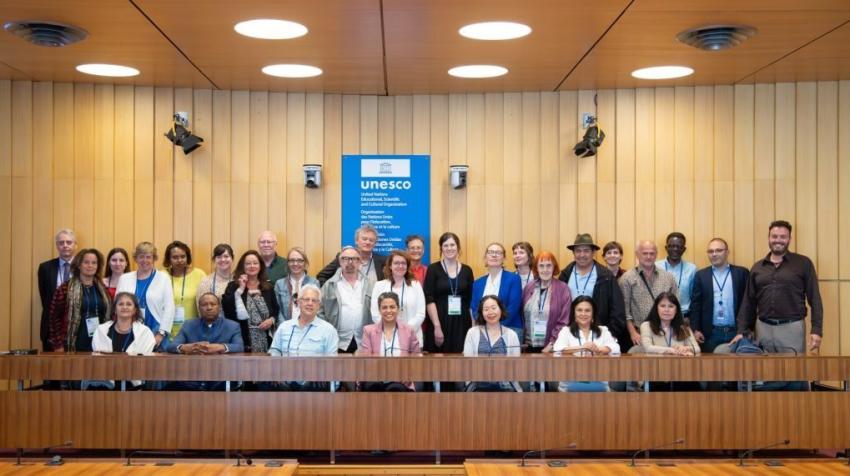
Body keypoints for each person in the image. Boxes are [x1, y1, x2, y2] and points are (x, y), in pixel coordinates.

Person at [731, 220, 823, 354]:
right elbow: (748, 303)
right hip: (763, 329)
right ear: (769, 238)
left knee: (793, 372)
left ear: (789, 239)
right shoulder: (757, 267)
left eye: (783, 237)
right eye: (774, 236)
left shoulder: (803, 263)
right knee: (764, 372)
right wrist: (741, 331)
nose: (778, 240)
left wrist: (817, 330)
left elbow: (815, 299)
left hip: (792, 328)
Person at [558, 234, 626, 347]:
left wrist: (610, 335)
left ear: (593, 252)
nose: (582, 255)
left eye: (586, 251)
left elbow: (617, 309)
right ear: (573, 253)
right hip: (570, 335)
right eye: (578, 251)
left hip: (598, 336)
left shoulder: (606, 276)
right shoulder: (565, 275)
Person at [165, 293, 244, 390]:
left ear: (219, 307)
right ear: (199, 308)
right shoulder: (189, 325)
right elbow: (171, 346)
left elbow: (240, 346)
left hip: (221, 375)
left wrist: (221, 347)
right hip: (193, 375)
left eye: (212, 304)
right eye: (204, 305)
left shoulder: (232, 326)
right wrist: (185, 348)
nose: (209, 307)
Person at [269, 284, 339, 391]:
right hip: (285, 382)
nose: (310, 303)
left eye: (314, 300)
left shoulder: (328, 330)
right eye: (306, 299)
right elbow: (275, 351)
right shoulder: (284, 327)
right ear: (299, 302)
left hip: (314, 383)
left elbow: (332, 361)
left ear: (319, 305)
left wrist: (321, 376)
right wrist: (276, 371)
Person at [689, 238, 749, 352]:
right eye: (711, 251)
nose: (714, 254)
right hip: (710, 334)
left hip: (736, 332)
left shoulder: (741, 273)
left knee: (737, 368)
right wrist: (695, 329)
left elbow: (748, 304)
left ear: (727, 252)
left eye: (718, 250)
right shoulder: (701, 275)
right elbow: (696, 305)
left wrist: (745, 329)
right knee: (709, 368)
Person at [619, 240, 678, 352]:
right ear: (637, 254)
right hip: (639, 334)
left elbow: (676, 306)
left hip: (665, 334)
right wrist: (633, 333)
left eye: (652, 253)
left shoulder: (668, 278)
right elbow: (625, 311)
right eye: (645, 253)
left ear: (656, 255)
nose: (648, 257)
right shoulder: (627, 279)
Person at [552, 296, 621, 392]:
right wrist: (583, 348)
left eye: (587, 310)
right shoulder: (566, 331)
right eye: (579, 310)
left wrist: (597, 349)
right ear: (574, 313)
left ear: (593, 314)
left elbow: (616, 348)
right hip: (569, 384)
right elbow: (558, 349)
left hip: (599, 382)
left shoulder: (603, 330)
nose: (583, 314)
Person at [47, 248, 111, 352]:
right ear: (78, 265)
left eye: (94, 263)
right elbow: (54, 318)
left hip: (99, 341)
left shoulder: (102, 289)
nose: (90, 266)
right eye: (86, 262)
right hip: (74, 341)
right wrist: (58, 345)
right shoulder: (65, 288)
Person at [91, 292, 157, 389]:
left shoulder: (145, 333)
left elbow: (143, 363)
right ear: (115, 309)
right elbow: (97, 359)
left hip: (133, 386)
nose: (124, 307)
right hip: (104, 385)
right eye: (120, 304)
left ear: (135, 310)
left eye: (129, 304)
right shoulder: (101, 330)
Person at [116, 242, 175, 350]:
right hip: (129, 330)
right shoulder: (124, 278)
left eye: (148, 257)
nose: (145, 260)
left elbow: (169, 307)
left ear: (154, 259)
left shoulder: (163, 278)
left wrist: (161, 333)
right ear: (135, 259)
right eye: (141, 257)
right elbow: (117, 305)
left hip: (155, 330)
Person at [359, 292, 422, 391]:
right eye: (384, 307)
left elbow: (417, 358)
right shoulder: (369, 331)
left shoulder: (409, 331)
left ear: (398, 309)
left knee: (396, 389)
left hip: (401, 379)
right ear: (379, 310)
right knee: (373, 387)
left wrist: (407, 376)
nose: (388, 311)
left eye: (392, 307)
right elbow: (366, 361)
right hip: (375, 377)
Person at [423, 232, 474, 353]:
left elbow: (471, 300)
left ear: (458, 247)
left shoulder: (467, 270)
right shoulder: (433, 269)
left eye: (452, 245)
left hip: (462, 322)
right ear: (441, 248)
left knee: (461, 361)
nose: (449, 248)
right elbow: (429, 298)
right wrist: (437, 326)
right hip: (439, 320)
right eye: (445, 245)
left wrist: (473, 327)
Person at [221, 250, 280, 353]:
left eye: (255, 263)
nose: (252, 266)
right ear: (242, 266)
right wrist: (240, 290)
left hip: (265, 342)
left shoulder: (267, 287)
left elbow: (275, 311)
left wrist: (271, 320)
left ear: (260, 266)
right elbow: (227, 310)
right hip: (239, 340)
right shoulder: (233, 286)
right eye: (248, 264)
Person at [462, 295, 522, 392]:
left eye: (494, 308)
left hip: (505, 386)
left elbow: (516, 367)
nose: (490, 312)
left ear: (501, 309)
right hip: (478, 386)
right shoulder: (472, 333)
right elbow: (467, 364)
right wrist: (470, 385)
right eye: (486, 309)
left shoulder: (512, 335)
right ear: (482, 313)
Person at [319, 246, 372, 353]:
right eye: (345, 259)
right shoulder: (329, 285)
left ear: (359, 262)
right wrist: (328, 331)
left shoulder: (370, 284)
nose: (350, 262)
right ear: (340, 262)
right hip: (337, 341)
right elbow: (319, 311)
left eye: (354, 259)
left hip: (364, 341)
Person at [369, 250, 426, 347]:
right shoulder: (379, 286)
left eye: (403, 263)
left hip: (412, 337)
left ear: (407, 266)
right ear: (390, 266)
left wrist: (405, 331)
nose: (400, 266)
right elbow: (375, 314)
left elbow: (420, 313)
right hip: (386, 338)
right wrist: (391, 330)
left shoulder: (415, 285)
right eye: (396, 263)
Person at [471, 242, 523, 340]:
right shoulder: (477, 283)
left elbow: (513, 307)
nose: (494, 255)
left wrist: (496, 329)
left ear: (503, 258)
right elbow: (474, 308)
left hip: (510, 329)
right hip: (483, 330)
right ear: (485, 257)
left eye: (498, 253)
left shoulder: (514, 279)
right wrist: (485, 327)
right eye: (491, 252)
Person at [521, 251, 571, 352]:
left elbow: (564, 321)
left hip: (550, 346)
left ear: (554, 267)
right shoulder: (529, 287)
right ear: (536, 268)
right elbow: (522, 315)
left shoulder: (563, 288)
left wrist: (552, 343)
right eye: (541, 266)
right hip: (528, 345)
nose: (545, 270)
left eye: (549, 266)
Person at [38, 229, 77, 350]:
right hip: (51, 328)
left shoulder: (83, 267)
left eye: (69, 242)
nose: (65, 245)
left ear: (76, 245)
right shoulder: (45, 268)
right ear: (57, 245)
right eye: (61, 242)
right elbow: (45, 298)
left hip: (76, 328)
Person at [317, 224, 386, 286]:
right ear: (356, 241)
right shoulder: (343, 258)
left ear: (375, 243)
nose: (368, 242)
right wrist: (333, 292)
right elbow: (321, 277)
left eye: (371, 240)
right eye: (364, 239)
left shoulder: (383, 261)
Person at [163, 240, 206, 337]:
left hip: (194, 331)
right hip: (167, 331)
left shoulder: (199, 274)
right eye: (175, 257)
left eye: (183, 256)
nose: (179, 260)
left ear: (188, 257)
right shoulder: (162, 276)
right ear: (168, 259)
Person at [274, 247, 320, 324]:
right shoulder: (279, 284)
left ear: (305, 263)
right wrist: (285, 327)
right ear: (288, 263)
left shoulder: (314, 283)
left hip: (308, 328)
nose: (295, 264)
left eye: (299, 260)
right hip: (285, 329)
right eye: (292, 260)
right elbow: (277, 310)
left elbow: (316, 308)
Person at [656, 232, 697, 318]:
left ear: (684, 249)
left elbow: (695, 298)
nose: (675, 249)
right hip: (659, 316)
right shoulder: (656, 266)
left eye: (679, 247)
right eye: (671, 246)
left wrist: (690, 318)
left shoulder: (692, 269)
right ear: (666, 248)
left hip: (683, 317)